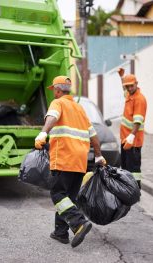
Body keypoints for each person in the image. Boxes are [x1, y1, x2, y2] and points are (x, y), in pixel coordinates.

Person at [35, 76, 106, 248]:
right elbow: (93, 136)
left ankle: (78, 222)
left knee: (58, 194)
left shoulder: (58, 103)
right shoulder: (80, 109)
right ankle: (60, 233)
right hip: (80, 161)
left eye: (54, 91)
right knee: (68, 198)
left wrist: (43, 133)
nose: (54, 93)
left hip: (64, 158)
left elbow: (52, 117)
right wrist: (98, 156)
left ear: (58, 91)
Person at [120, 73, 147, 189]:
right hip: (125, 139)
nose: (129, 88)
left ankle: (136, 190)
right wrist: (121, 77)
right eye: (127, 86)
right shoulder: (129, 95)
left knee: (134, 168)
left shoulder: (139, 99)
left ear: (136, 84)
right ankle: (127, 189)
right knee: (126, 167)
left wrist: (131, 136)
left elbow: (138, 121)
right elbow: (124, 89)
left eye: (131, 86)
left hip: (134, 141)